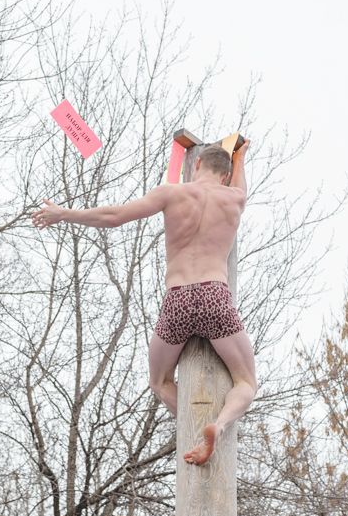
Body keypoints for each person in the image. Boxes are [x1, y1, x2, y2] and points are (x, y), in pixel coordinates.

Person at [31, 140, 256, 466]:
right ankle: (218, 427)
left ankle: (195, 430)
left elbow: (114, 216)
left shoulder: (171, 193)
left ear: (196, 165)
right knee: (246, 382)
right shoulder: (234, 198)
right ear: (226, 176)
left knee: (159, 381)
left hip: (177, 299)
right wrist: (241, 158)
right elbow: (241, 186)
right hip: (214, 296)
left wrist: (63, 213)